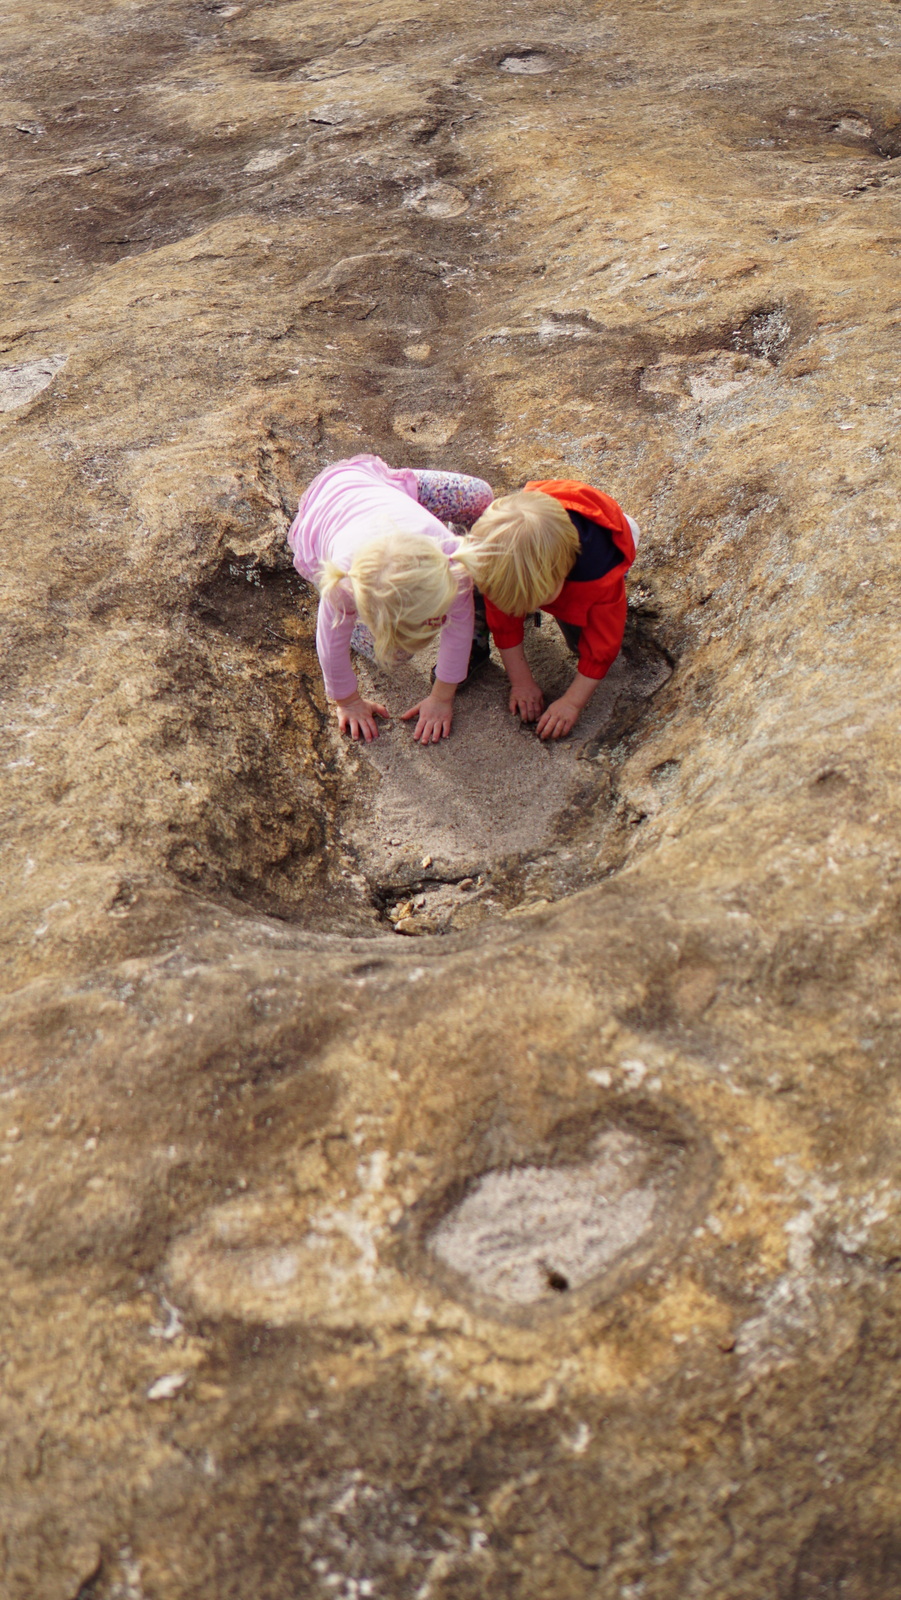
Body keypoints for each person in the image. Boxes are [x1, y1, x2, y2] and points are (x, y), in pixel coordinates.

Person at [287, 455, 493, 743]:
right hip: (323, 515)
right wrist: (348, 701)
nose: (439, 625)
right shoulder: (344, 587)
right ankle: (371, 630)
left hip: (372, 485)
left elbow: (460, 625)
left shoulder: (450, 562)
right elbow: (330, 645)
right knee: (392, 652)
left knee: (481, 497)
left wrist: (442, 697)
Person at [457, 479, 640, 740]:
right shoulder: (500, 558)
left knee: (581, 645)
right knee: (509, 594)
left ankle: (627, 527)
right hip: (544, 521)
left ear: (560, 579)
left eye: (533, 601)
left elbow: (602, 648)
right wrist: (521, 682)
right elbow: (503, 621)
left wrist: (572, 703)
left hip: (603, 533)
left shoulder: (600, 579)